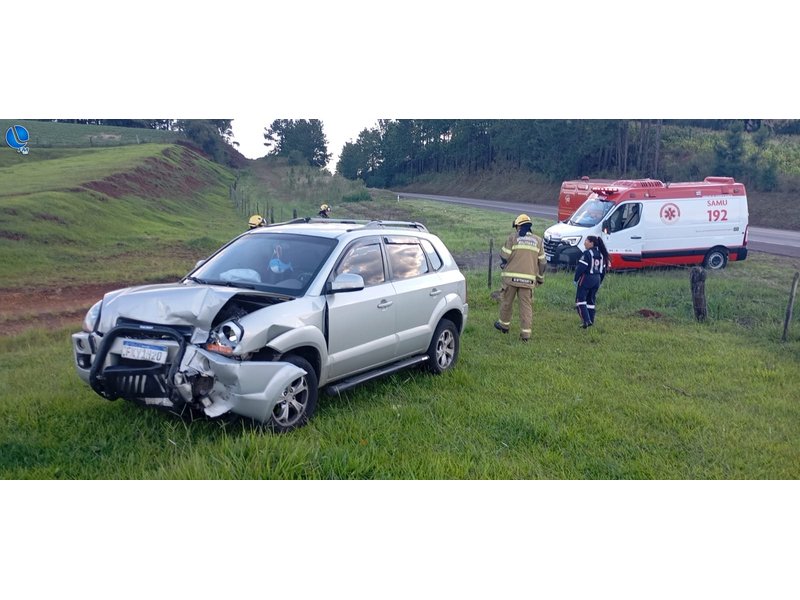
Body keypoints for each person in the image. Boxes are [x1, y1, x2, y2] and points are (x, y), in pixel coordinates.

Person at [494, 214, 546, 342]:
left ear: (518, 226)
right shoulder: (538, 241)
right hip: (528, 281)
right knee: (526, 307)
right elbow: (543, 263)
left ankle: (504, 326)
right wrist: (540, 278)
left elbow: (504, 256)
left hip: (510, 279)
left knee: (507, 302)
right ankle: (525, 335)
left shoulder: (513, 238)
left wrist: (504, 263)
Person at [574, 235, 610, 328]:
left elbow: (581, 268)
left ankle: (586, 321)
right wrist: (600, 281)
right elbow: (603, 271)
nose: (584, 242)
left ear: (591, 243)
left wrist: (575, 279)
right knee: (591, 300)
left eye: (586, 241)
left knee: (580, 300)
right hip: (597, 279)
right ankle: (591, 320)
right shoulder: (602, 255)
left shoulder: (587, 254)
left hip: (586, 278)